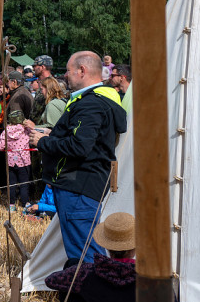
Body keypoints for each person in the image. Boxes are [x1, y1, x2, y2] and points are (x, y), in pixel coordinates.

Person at [44, 212, 187, 302]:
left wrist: (79, 276)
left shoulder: (86, 273)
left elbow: (51, 280)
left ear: (105, 245)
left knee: (73, 265)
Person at [30, 51, 127, 265]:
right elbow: (85, 140)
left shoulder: (91, 104)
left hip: (78, 184)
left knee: (86, 254)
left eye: (67, 70)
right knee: (82, 250)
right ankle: (87, 292)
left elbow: (80, 146)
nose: (65, 75)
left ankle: (94, 295)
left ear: (82, 71)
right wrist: (52, 134)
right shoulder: (96, 101)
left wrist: (43, 142)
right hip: (80, 183)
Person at [0, 109, 32, 209]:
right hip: (24, 162)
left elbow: (0, 146)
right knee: (24, 184)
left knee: (11, 184)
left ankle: (11, 205)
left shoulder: (6, 131)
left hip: (11, 162)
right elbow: (33, 138)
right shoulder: (26, 130)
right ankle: (25, 204)